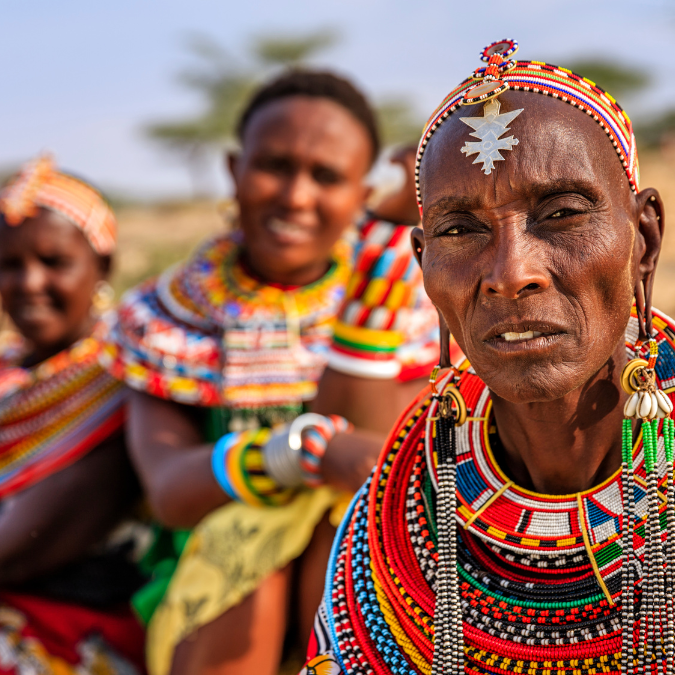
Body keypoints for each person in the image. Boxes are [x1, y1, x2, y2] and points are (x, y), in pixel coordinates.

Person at [301, 39, 675, 675]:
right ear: (424, 266)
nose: (510, 273)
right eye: (459, 230)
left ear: (642, 240)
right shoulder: (396, 508)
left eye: (561, 214)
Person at [101, 70, 439, 675]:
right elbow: (172, 491)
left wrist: (379, 268)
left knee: (351, 525)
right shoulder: (165, 318)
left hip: (337, 583)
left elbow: (373, 466)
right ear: (233, 170)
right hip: (206, 599)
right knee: (252, 532)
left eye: (327, 177)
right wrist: (300, 452)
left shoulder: (407, 307)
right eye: (275, 166)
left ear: (361, 191)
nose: (295, 196)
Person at [0, 156, 145, 674]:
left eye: (54, 262)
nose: (28, 283)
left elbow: (21, 547)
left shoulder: (122, 379)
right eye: (10, 264)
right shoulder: (9, 378)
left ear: (102, 267)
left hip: (74, 625)